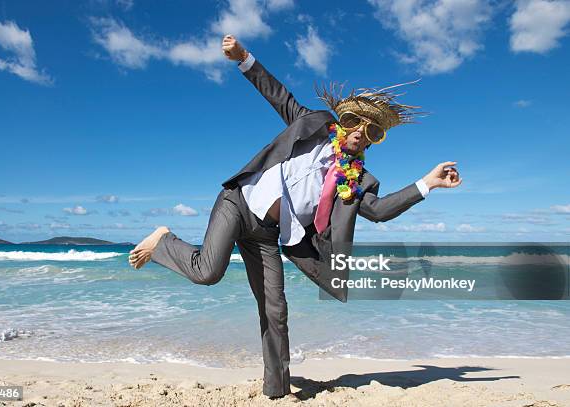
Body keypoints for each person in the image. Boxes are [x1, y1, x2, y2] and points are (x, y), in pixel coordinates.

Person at [128, 34, 462, 398]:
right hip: (239, 203)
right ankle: (163, 241)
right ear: (345, 120)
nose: (360, 136)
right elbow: (277, 94)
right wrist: (243, 58)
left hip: (269, 234)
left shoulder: (357, 180)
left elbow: (379, 211)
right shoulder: (312, 124)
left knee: (276, 309)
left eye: (372, 134)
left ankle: (276, 391)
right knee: (208, 272)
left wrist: (427, 183)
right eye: (357, 124)